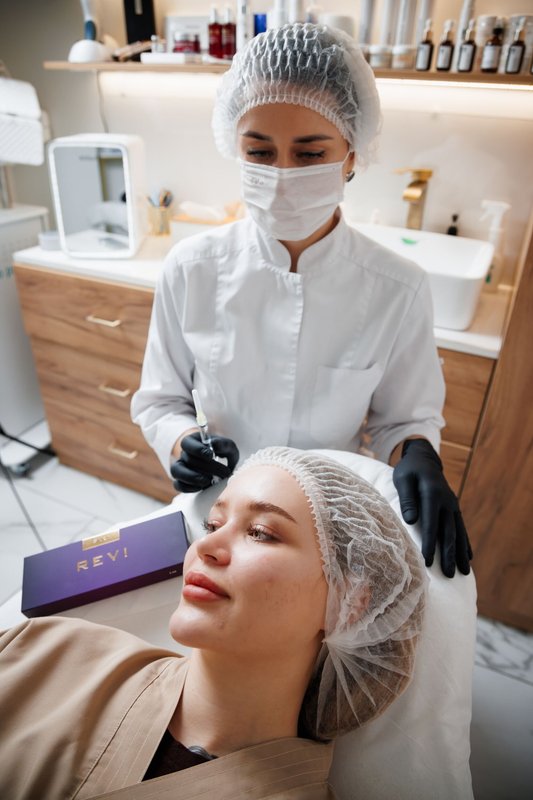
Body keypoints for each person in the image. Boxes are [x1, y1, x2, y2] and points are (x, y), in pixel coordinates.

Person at [131, 23, 471, 579]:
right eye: (259, 151)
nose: (282, 176)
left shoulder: (397, 286)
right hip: (217, 510)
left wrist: (417, 452)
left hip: (327, 523)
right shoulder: (191, 268)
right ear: (234, 148)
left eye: (311, 153)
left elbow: (403, 420)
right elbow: (159, 401)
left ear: (352, 156)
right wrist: (181, 443)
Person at [0, 448, 426, 800]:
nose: (206, 546)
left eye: (261, 532)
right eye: (213, 524)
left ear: (349, 604)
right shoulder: (45, 647)